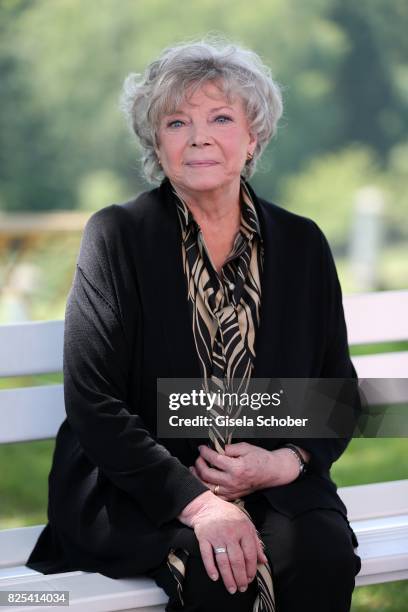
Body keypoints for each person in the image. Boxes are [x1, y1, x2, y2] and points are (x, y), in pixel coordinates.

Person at [26, 38, 362, 611]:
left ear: (253, 136)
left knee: (320, 551)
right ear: (158, 142)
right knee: (218, 569)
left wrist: (286, 461)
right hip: (141, 488)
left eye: (222, 118)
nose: (199, 136)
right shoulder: (116, 237)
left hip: (270, 482)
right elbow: (93, 402)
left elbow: (339, 392)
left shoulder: (303, 243)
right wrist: (200, 503)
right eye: (177, 121)